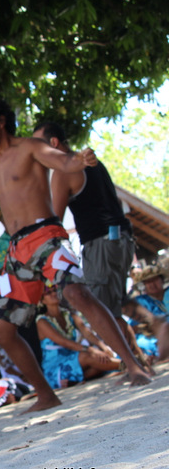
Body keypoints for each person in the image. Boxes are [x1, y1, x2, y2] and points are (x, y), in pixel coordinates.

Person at [0, 95, 150, 413]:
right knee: (1, 331)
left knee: (77, 293)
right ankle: (46, 394)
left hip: (47, 238)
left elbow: (62, 161)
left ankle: (133, 366)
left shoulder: (31, 147)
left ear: (2, 120)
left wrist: (80, 161)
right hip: (18, 253)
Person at [34, 121, 149, 367]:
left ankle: (134, 364)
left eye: (40, 147)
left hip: (100, 244)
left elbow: (54, 218)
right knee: (113, 306)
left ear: (53, 144)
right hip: (123, 238)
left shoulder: (64, 171)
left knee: (102, 311)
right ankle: (138, 358)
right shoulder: (92, 162)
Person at [36, 286, 120, 389]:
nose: (53, 294)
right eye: (48, 293)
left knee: (98, 361)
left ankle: (76, 380)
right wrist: (92, 350)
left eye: (55, 290)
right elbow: (64, 342)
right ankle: (126, 364)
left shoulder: (69, 315)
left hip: (75, 359)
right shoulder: (41, 321)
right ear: (42, 300)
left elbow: (87, 333)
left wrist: (103, 347)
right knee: (89, 356)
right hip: (56, 368)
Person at [122, 265, 169, 361]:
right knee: (142, 344)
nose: (152, 284)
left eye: (155, 279)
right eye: (148, 282)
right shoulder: (139, 302)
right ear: (143, 285)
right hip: (151, 337)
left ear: (162, 280)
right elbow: (133, 327)